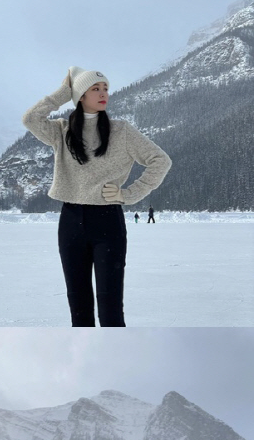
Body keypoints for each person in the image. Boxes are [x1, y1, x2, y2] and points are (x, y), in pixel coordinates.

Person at [22, 68, 171, 326]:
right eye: (95, 89)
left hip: (107, 222)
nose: (104, 94)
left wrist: (130, 193)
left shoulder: (121, 131)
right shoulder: (61, 131)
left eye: (105, 88)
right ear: (80, 95)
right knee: (78, 306)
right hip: (70, 221)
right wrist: (60, 95)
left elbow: (161, 160)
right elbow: (30, 119)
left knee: (110, 305)